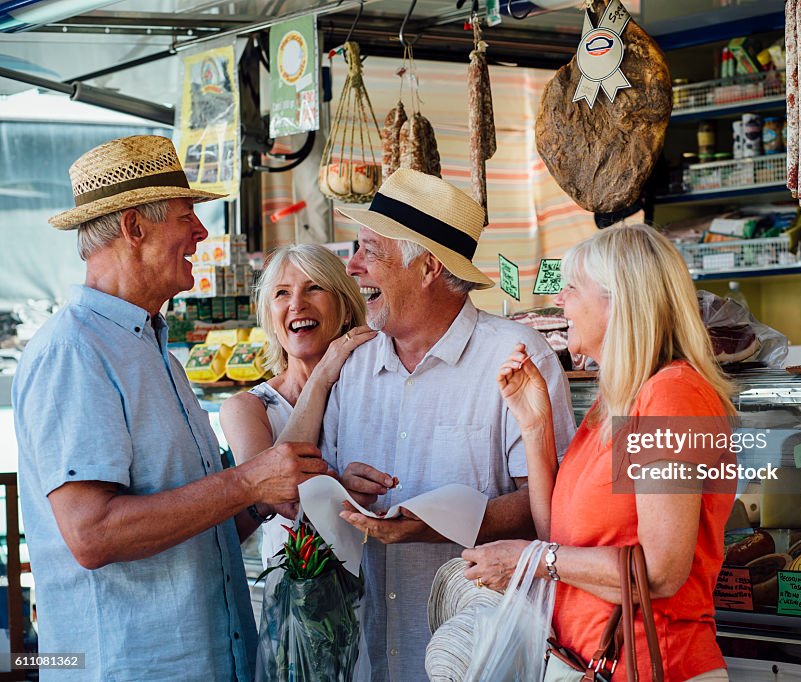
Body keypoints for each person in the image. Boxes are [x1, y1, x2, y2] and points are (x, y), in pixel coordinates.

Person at [12, 135, 328, 681]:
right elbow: (94, 534)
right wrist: (249, 482)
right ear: (135, 227)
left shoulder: (152, 350)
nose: (201, 232)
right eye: (187, 216)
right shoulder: (75, 353)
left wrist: (281, 494)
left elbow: (194, 526)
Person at [284, 168, 577, 681]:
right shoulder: (353, 368)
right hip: (373, 652)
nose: (352, 267)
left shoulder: (515, 355)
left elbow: (554, 512)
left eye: (371, 251)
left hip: (483, 658)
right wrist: (341, 489)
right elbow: (307, 488)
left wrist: (441, 524)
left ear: (428, 268)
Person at [464, 224, 736, 681]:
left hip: (656, 665)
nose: (560, 301)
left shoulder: (671, 396)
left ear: (618, 302)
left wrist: (528, 559)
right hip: (590, 664)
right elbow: (560, 537)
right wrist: (535, 425)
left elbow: (660, 572)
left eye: (572, 288)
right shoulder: (613, 403)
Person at [220, 243, 376, 568]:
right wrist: (320, 378)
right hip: (299, 600)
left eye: (314, 288)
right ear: (270, 318)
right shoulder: (247, 409)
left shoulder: (373, 389)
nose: (296, 304)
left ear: (346, 309)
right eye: (281, 293)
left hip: (379, 580)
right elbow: (279, 493)